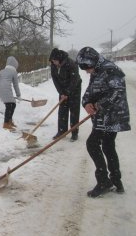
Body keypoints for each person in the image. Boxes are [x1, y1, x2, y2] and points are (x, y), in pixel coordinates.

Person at [76, 47, 130, 198]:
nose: (87, 71)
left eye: (88, 68)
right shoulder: (98, 71)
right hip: (102, 116)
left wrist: (99, 105)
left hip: (112, 116)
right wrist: (86, 103)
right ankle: (116, 181)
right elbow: (90, 91)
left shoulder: (111, 70)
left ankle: (104, 181)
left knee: (92, 144)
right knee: (107, 146)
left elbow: (117, 93)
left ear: (93, 61)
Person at [49, 48, 82, 142]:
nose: (53, 63)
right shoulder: (53, 66)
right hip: (62, 89)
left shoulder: (71, 64)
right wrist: (62, 92)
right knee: (62, 110)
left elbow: (74, 80)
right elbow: (55, 80)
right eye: (52, 61)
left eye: (54, 60)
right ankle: (61, 131)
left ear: (59, 58)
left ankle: (74, 132)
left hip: (75, 88)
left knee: (74, 110)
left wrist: (68, 92)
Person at [0, 56, 21, 131]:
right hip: (7, 90)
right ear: (15, 65)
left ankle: (9, 122)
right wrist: (18, 95)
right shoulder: (14, 72)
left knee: (13, 105)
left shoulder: (2, 71)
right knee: (9, 106)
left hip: (2, 91)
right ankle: (6, 124)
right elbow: (15, 85)